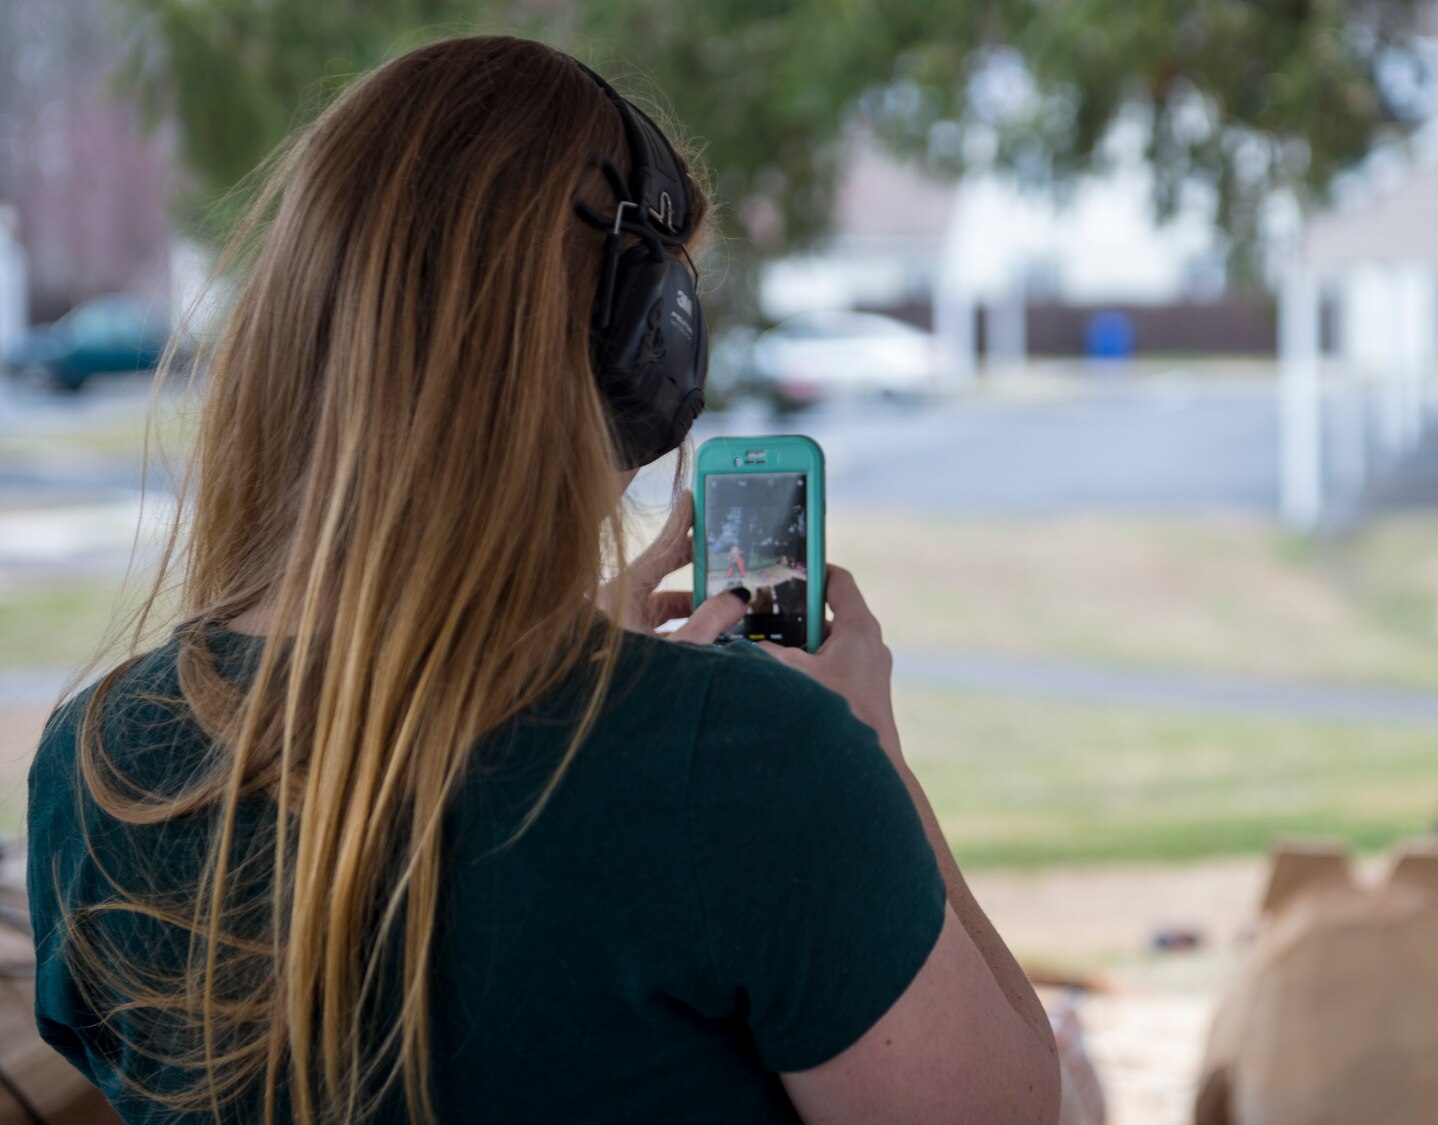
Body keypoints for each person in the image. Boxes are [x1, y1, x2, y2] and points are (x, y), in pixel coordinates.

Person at [28, 36, 1057, 1124]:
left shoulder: (95, 766)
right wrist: (873, 754)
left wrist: (545, 666)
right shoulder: (756, 766)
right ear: (640, 356)